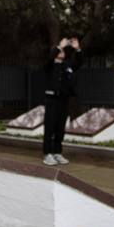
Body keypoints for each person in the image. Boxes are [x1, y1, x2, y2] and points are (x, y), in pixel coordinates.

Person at [42, 36, 79, 165]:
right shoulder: (49, 65)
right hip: (52, 100)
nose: (63, 52)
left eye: (63, 50)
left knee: (60, 128)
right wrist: (60, 46)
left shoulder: (67, 65)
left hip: (64, 100)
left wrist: (77, 49)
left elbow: (79, 62)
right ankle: (47, 154)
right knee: (50, 127)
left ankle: (57, 152)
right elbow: (50, 58)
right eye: (60, 51)